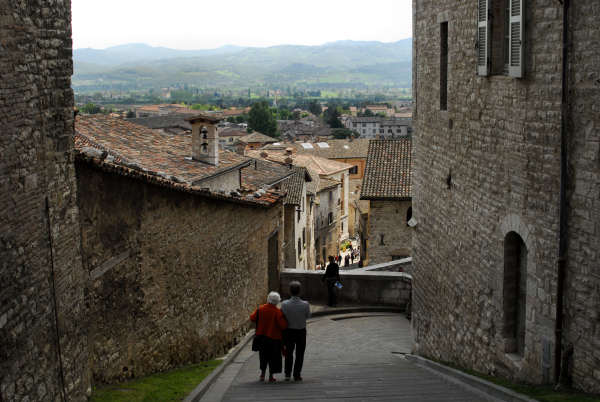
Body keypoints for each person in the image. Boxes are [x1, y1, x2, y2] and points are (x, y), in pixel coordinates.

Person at [250, 291, 288, 382]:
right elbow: (283, 326)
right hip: (274, 339)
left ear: (268, 299)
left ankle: (262, 375)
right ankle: (271, 376)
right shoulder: (277, 312)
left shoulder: (260, 309)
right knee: (273, 358)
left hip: (262, 337)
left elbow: (252, 317)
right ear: (277, 301)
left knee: (263, 356)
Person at [281, 281, 311, 381]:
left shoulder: (284, 304)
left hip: (289, 331)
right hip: (301, 331)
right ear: (300, 291)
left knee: (289, 353)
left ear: (290, 291)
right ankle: (297, 374)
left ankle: (287, 374)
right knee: (300, 354)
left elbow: (283, 317)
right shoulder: (305, 304)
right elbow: (308, 316)